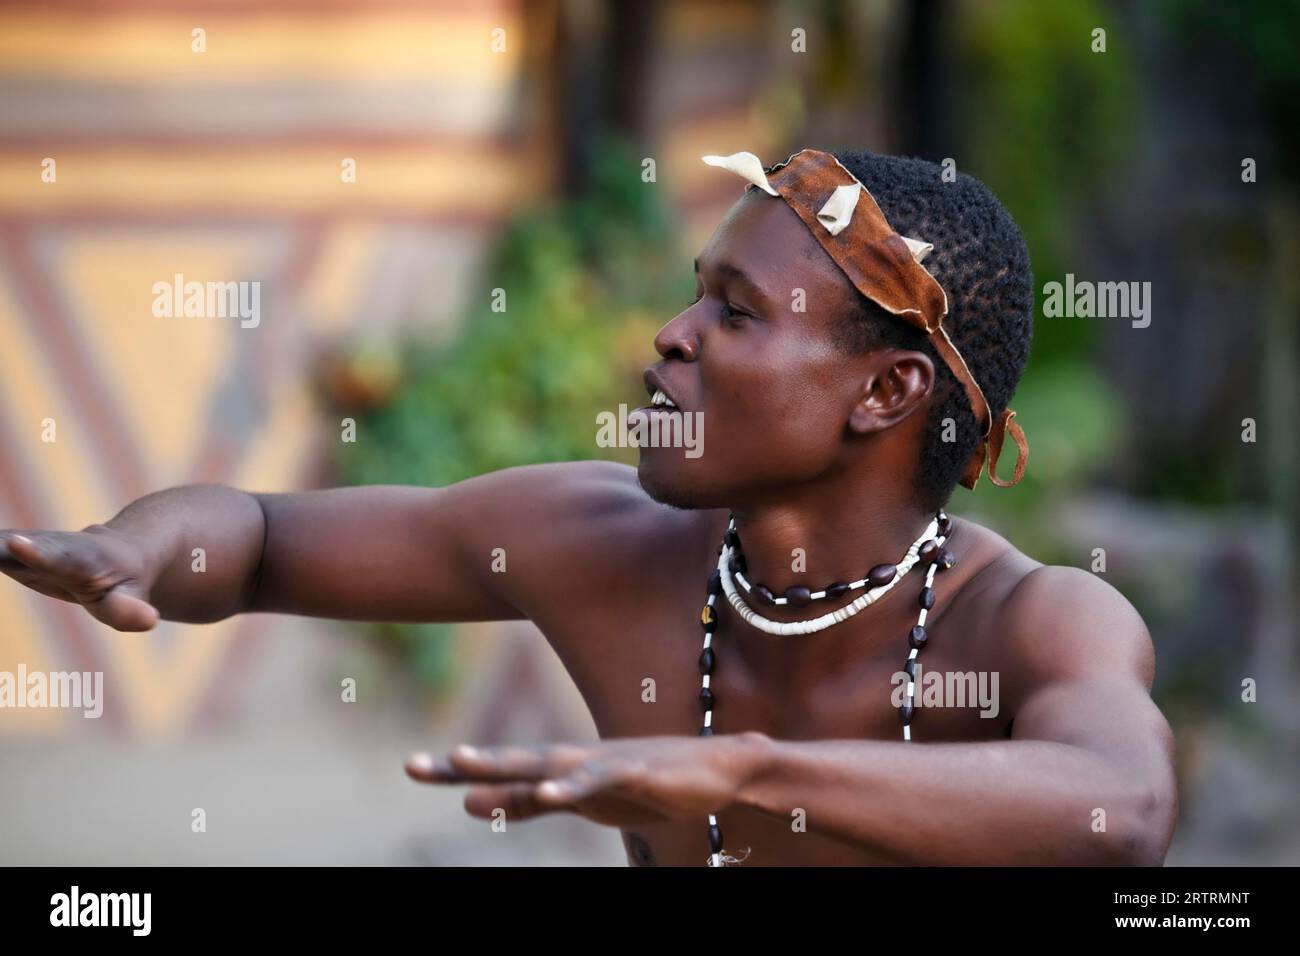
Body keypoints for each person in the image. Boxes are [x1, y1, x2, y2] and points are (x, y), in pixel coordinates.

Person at [0, 148, 1177, 866]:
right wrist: (135, 542)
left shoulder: (1037, 620)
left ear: (885, 390)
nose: (669, 335)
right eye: (690, 297)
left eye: (736, 311)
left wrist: (746, 774)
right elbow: (261, 540)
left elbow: (1116, 813)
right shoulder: (597, 541)